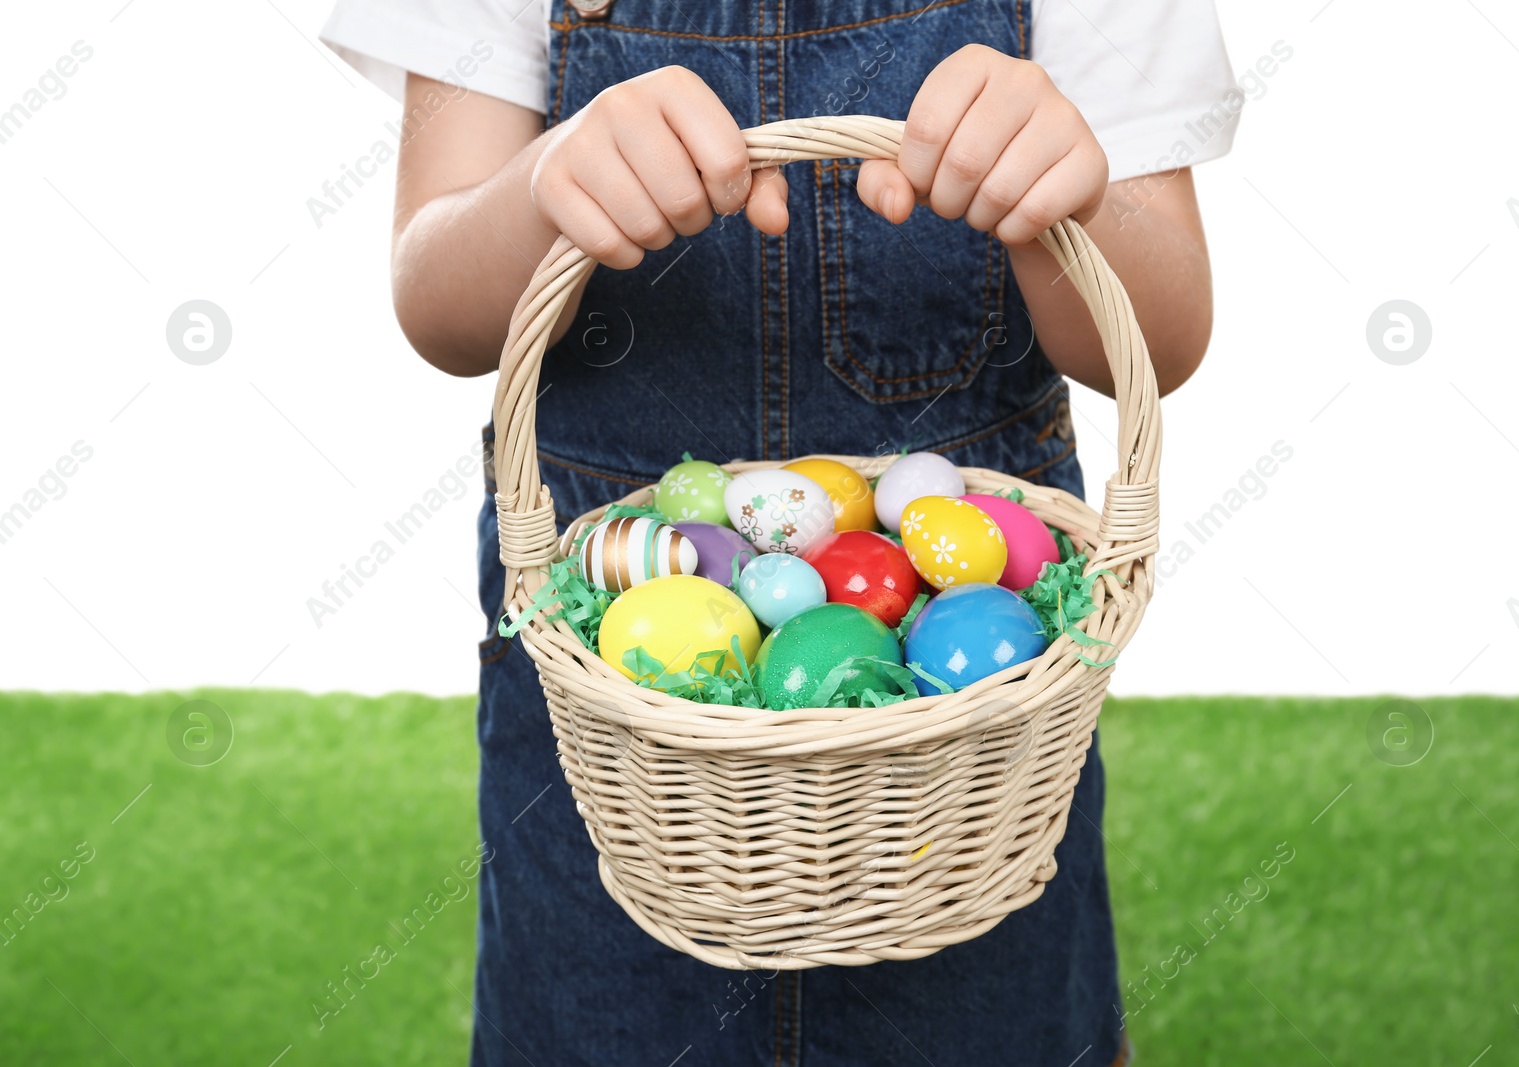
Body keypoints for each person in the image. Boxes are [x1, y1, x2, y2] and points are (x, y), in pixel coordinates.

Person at [320, 2, 1236, 1063]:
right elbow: (438, 300)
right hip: (618, 728)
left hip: (966, 759)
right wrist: (544, 190)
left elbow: (1159, 338)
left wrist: (1058, 201)